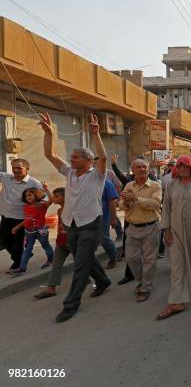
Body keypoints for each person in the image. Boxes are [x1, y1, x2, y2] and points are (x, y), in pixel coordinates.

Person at [40, 112, 112, 323]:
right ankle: (103, 281)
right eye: (71, 157)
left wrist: (96, 134)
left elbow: (104, 157)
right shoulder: (69, 172)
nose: (71, 159)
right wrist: (49, 133)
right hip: (71, 224)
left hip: (91, 225)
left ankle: (70, 305)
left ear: (89, 161)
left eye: (76, 157)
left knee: (80, 265)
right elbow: (49, 154)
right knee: (84, 259)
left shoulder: (98, 175)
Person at [157, 154, 191, 320]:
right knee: (177, 266)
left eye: (185, 166)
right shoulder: (171, 185)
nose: (182, 169)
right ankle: (176, 302)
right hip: (176, 230)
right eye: (179, 166)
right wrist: (166, 229)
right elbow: (166, 209)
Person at [119, 159, 162, 302]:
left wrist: (136, 198)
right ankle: (142, 280)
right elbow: (121, 204)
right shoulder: (129, 185)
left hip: (151, 227)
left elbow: (156, 204)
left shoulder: (155, 186)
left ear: (149, 169)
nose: (142, 169)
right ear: (133, 170)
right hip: (132, 227)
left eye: (144, 167)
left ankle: (145, 288)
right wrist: (125, 202)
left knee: (150, 259)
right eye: (138, 167)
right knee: (131, 258)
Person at [0, 158, 43, 273]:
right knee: (4, 241)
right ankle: (24, 255)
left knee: (17, 243)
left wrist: (34, 211)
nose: (15, 170)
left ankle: (18, 264)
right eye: (14, 167)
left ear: (27, 169)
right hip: (5, 216)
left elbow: (43, 199)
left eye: (19, 168)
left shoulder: (34, 183)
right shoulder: (5, 177)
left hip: (21, 219)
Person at [8, 185, 55, 275]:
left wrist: (46, 190)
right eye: (26, 196)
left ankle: (51, 259)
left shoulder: (41, 205)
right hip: (29, 231)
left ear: (36, 195)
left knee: (45, 245)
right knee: (27, 249)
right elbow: (27, 219)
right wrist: (17, 227)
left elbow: (51, 200)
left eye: (30, 195)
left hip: (41, 231)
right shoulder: (26, 206)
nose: (28, 197)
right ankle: (22, 268)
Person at [34, 188, 70, 299]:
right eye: (54, 196)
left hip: (73, 241)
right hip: (61, 241)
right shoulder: (59, 211)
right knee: (56, 264)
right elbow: (60, 226)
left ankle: (98, 279)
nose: (54, 199)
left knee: (84, 264)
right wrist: (59, 237)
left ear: (65, 197)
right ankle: (51, 289)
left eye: (57, 196)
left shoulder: (72, 210)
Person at [100, 177, 118, 269]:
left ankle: (113, 256)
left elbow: (112, 202)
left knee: (103, 238)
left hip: (103, 216)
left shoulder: (106, 183)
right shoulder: (83, 182)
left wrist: (113, 218)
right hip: (86, 217)